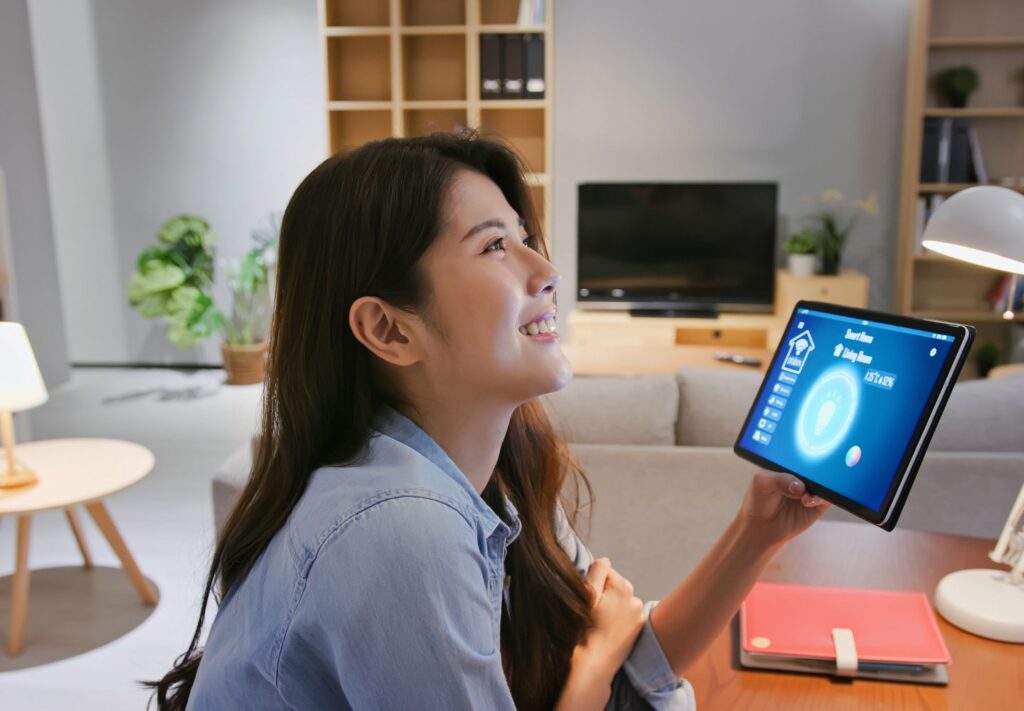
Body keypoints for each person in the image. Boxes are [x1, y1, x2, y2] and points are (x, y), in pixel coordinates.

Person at [147, 131, 830, 710]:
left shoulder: (491, 475)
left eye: (525, 238)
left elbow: (631, 659)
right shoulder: (398, 527)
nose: (548, 271)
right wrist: (592, 667)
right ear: (388, 329)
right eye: (494, 246)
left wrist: (758, 532)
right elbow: (605, 658)